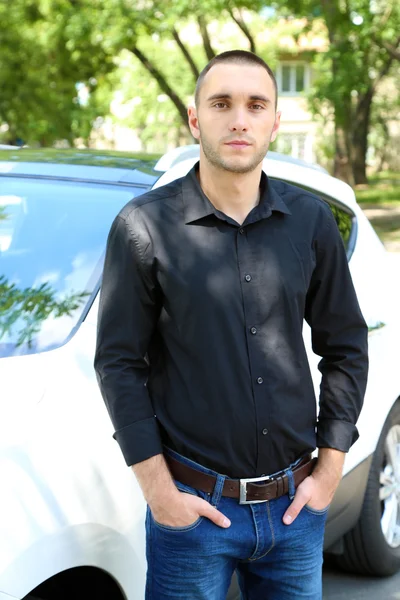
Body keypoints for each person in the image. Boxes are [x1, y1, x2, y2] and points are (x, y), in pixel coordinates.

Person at [94, 50, 369, 600]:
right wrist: (160, 494)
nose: (238, 119)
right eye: (221, 104)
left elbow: (346, 346)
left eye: (255, 105)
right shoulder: (144, 227)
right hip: (193, 513)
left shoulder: (312, 223)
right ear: (196, 119)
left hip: (295, 510)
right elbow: (119, 364)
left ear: (274, 122)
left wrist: (330, 469)